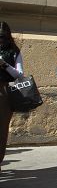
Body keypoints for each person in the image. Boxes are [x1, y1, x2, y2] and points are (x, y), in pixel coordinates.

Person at [0, 22, 24, 172]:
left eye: (3, 36)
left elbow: (19, 74)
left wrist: (4, 65)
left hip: (4, 92)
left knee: (1, 130)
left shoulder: (13, 51)